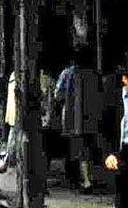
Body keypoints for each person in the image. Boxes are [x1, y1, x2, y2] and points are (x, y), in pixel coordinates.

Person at [55, 54, 101, 193]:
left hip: (74, 117)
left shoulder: (68, 73)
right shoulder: (94, 74)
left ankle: (85, 180)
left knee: (78, 150)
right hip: (92, 117)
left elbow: (58, 94)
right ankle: (89, 178)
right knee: (89, 147)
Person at [104, 65, 128, 207]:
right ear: (125, 79)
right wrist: (110, 153)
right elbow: (107, 129)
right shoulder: (113, 100)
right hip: (122, 151)